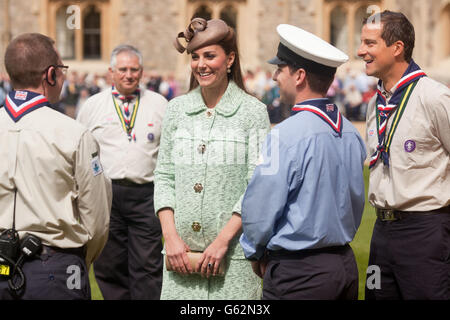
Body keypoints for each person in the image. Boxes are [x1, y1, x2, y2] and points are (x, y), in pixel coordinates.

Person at [239, 24, 367, 300]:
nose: (274, 77)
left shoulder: (285, 135)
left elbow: (260, 208)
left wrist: (254, 250)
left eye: (280, 69)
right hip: (344, 263)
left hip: (299, 273)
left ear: (299, 75)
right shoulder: (349, 132)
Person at [155, 17, 270, 300]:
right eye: (195, 57)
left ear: (230, 59)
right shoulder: (175, 110)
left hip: (233, 261)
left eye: (209, 55)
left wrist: (221, 242)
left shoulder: (254, 112)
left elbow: (257, 186)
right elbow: (164, 176)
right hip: (179, 261)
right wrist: (170, 238)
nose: (201, 64)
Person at [0, 33, 111, 299]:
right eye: (62, 70)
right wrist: (78, 259)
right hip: (53, 268)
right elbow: (96, 219)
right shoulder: (75, 134)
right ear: (50, 75)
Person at [358, 10, 450, 300]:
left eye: (370, 43)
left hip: (425, 233)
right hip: (381, 231)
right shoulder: (375, 104)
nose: (361, 51)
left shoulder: (434, 97)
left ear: (397, 48)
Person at [77, 45, 167, 300]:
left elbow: (169, 152)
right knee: (109, 266)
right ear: (111, 72)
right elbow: (81, 152)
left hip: (146, 195)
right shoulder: (92, 105)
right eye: (123, 69)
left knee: (148, 266)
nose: (129, 75)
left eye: (134, 69)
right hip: (107, 196)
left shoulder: (160, 104)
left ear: (142, 72)